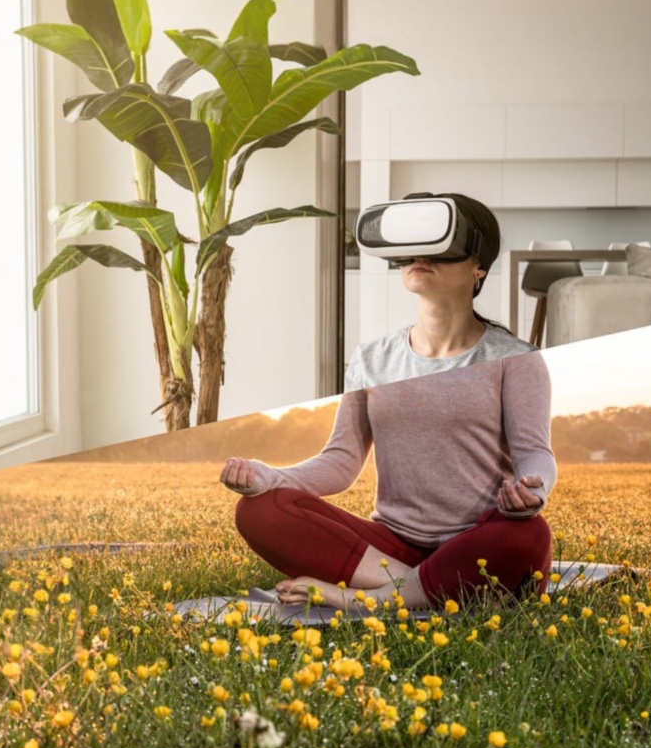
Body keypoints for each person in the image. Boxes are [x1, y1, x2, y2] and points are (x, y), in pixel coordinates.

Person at [220, 192, 556, 611]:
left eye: (441, 250)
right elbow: (341, 462)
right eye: (413, 249)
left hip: (476, 542)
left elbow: (535, 454)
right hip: (388, 553)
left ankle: (368, 601)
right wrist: (269, 477)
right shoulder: (370, 359)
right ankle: (417, 589)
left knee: (530, 535)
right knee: (260, 511)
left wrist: (533, 493)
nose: (422, 257)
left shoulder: (515, 359)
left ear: (478, 267)